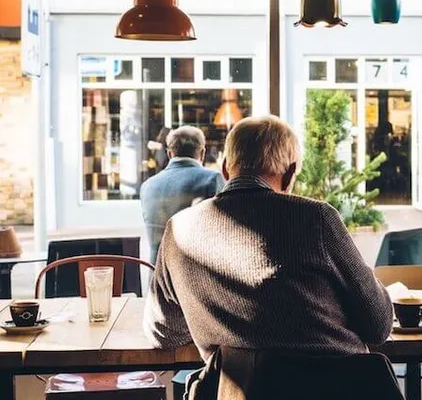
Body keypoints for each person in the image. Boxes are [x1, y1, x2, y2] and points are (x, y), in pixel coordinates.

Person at [143, 115, 393, 360]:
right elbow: (378, 324)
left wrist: (214, 316)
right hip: (338, 387)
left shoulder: (178, 230)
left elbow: (163, 332)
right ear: (290, 173)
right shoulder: (316, 219)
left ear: (225, 169)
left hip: (236, 391)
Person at [140, 125, 224, 264]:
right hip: (195, 278)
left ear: (170, 154)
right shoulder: (212, 179)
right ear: (202, 153)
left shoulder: (147, 186)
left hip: (157, 277)